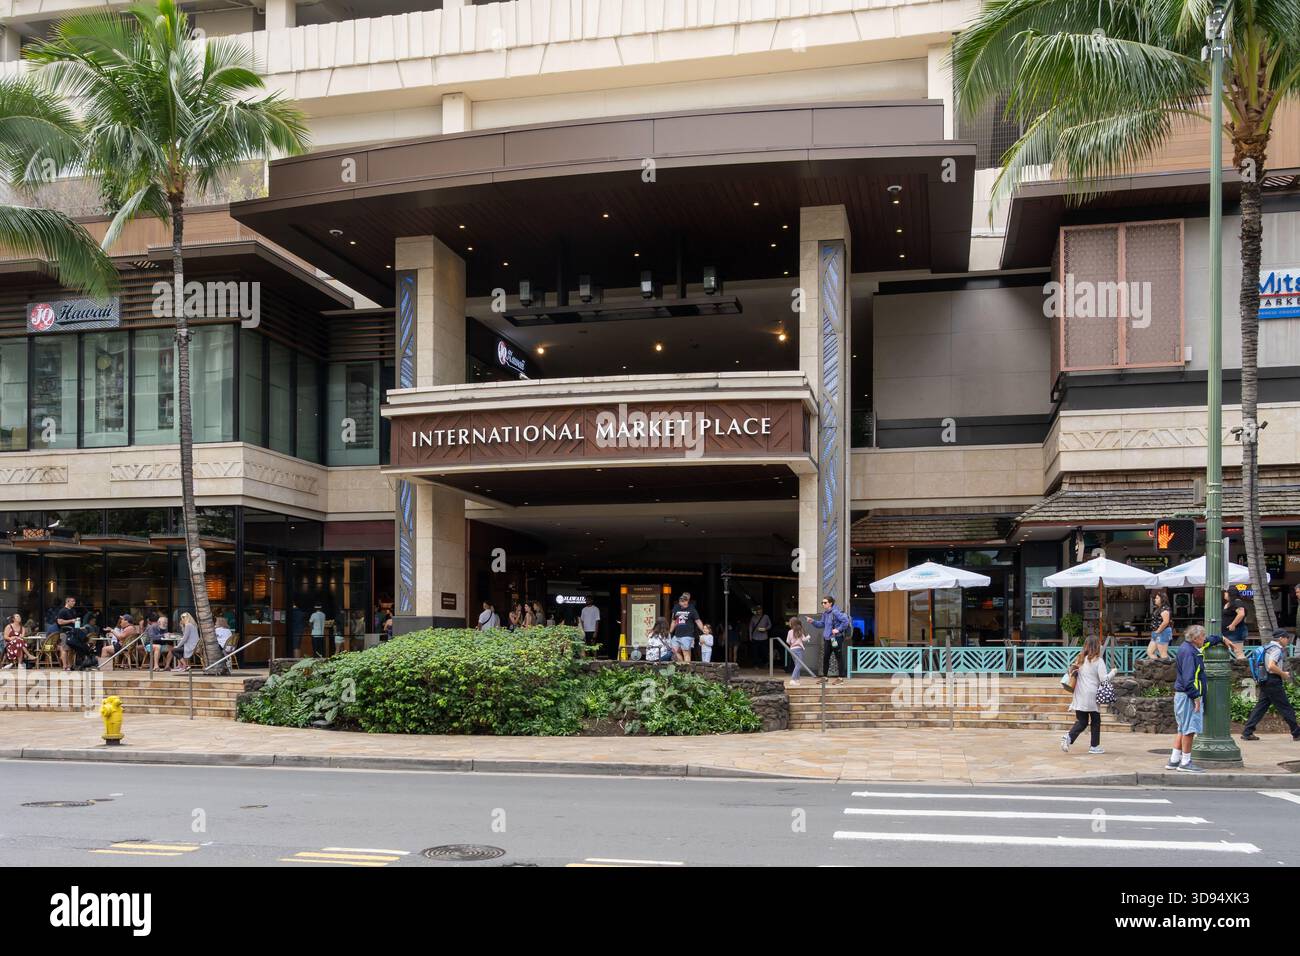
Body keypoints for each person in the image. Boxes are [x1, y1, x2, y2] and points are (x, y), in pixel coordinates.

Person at [1059, 634, 1117, 754]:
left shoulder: (1080, 659)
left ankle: (1068, 737)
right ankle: (1094, 746)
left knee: (1082, 721)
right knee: (1096, 721)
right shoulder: (1098, 661)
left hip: (1079, 694)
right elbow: (1104, 680)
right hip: (1091, 695)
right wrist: (1113, 672)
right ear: (1097, 646)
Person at [1242, 628, 1300, 741]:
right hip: (1273, 681)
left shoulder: (1266, 647)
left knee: (1261, 707)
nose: (1288, 640)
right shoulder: (1276, 649)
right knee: (1285, 707)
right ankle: (1296, 733)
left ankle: (1247, 732)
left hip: (1265, 680)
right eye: (1286, 638)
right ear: (1281, 638)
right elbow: (1271, 666)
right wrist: (1283, 674)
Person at [1166, 623, 1207, 773]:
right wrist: (1196, 697)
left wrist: (1220, 639)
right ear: (1195, 638)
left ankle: (1174, 760)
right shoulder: (1191, 653)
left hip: (1182, 695)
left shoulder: (1185, 648)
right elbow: (1189, 679)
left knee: (1182, 729)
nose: (1204, 639)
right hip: (1188, 695)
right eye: (1202, 636)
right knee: (1189, 730)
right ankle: (1185, 762)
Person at [811, 595, 851, 684]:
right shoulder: (825, 614)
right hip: (827, 639)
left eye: (825, 602)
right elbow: (821, 624)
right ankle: (824, 677)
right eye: (822, 602)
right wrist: (813, 622)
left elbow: (846, 621)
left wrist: (838, 629)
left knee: (838, 657)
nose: (823, 604)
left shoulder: (835, 612)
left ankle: (840, 678)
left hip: (836, 638)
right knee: (826, 658)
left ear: (830, 603)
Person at [669, 592, 700, 662]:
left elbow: (697, 620)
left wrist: (701, 631)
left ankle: (687, 667)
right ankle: (684, 665)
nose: (686, 600)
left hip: (689, 633)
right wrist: (670, 632)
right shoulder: (676, 607)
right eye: (684, 597)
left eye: (687, 598)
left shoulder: (691, 606)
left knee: (686, 651)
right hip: (678, 633)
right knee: (676, 651)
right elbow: (674, 621)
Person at [1222, 587, 1249, 660]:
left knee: (1238, 652)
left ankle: (1243, 666)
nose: (1224, 593)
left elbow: (1241, 614)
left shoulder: (1237, 602)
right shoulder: (1230, 603)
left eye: (1226, 592)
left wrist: (1233, 625)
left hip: (1235, 631)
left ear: (1230, 593)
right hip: (1227, 632)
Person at [1147, 590, 1174, 660]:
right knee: (1150, 652)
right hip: (1157, 632)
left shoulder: (1164, 608)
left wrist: (1158, 631)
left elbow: (1166, 622)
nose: (1155, 600)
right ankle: (1159, 665)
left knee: (1163, 654)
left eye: (1157, 598)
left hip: (1162, 632)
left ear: (1162, 599)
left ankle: (1167, 666)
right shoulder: (1160, 608)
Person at [55, 596, 78, 670]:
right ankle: (64, 666)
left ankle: (70, 666)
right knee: (64, 649)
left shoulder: (73, 611)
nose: (74, 603)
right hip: (64, 632)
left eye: (74, 601)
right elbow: (59, 622)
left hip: (72, 632)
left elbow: (74, 621)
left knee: (71, 649)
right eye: (72, 601)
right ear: (67, 602)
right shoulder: (62, 611)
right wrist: (71, 621)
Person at [748, 604, 772, 669]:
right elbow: (750, 627)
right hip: (755, 637)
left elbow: (770, 625)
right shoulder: (753, 617)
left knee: (764, 651)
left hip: (764, 637)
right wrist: (750, 636)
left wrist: (765, 629)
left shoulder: (766, 617)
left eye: (760, 610)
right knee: (755, 652)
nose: (759, 611)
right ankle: (755, 665)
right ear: (756, 611)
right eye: (757, 610)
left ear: (762, 610)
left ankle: (766, 663)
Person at [786, 616, 808, 684]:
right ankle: (793, 679)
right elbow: (804, 639)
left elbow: (787, 641)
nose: (789, 624)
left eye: (790, 622)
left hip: (792, 649)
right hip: (799, 649)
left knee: (796, 664)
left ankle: (797, 680)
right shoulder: (799, 631)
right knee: (799, 664)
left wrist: (792, 644)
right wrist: (808, 637)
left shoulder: (789, 631)